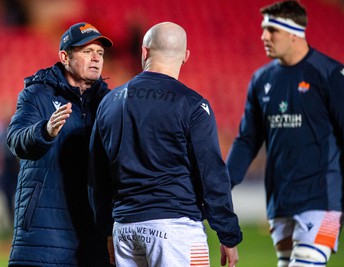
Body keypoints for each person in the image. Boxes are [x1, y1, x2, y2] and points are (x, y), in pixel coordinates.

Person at [88, 21, 242, 267]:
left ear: (144, 52)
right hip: (175, 228)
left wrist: (107, 229)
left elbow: (97, 176)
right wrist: (228, 233)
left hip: (124, 230)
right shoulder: (192, 104)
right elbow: (211, 173)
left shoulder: (109, 102)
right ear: (185, 57)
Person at [226, 1, 344, 267]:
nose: (263, 36)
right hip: (280, 201)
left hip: (322, 198)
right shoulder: (261, 80)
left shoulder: (330, 75)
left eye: (271, 30)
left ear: (294, 33)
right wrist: (223, 183)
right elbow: (247, 140)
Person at [7, 22, 113, 266]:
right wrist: (45, 130)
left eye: (100, 53)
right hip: (44, 229)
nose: (96, 58)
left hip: (91, 230)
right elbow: (16, 141)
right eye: (87, 52)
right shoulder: (37, 94)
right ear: (65, 56)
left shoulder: (109, 103)